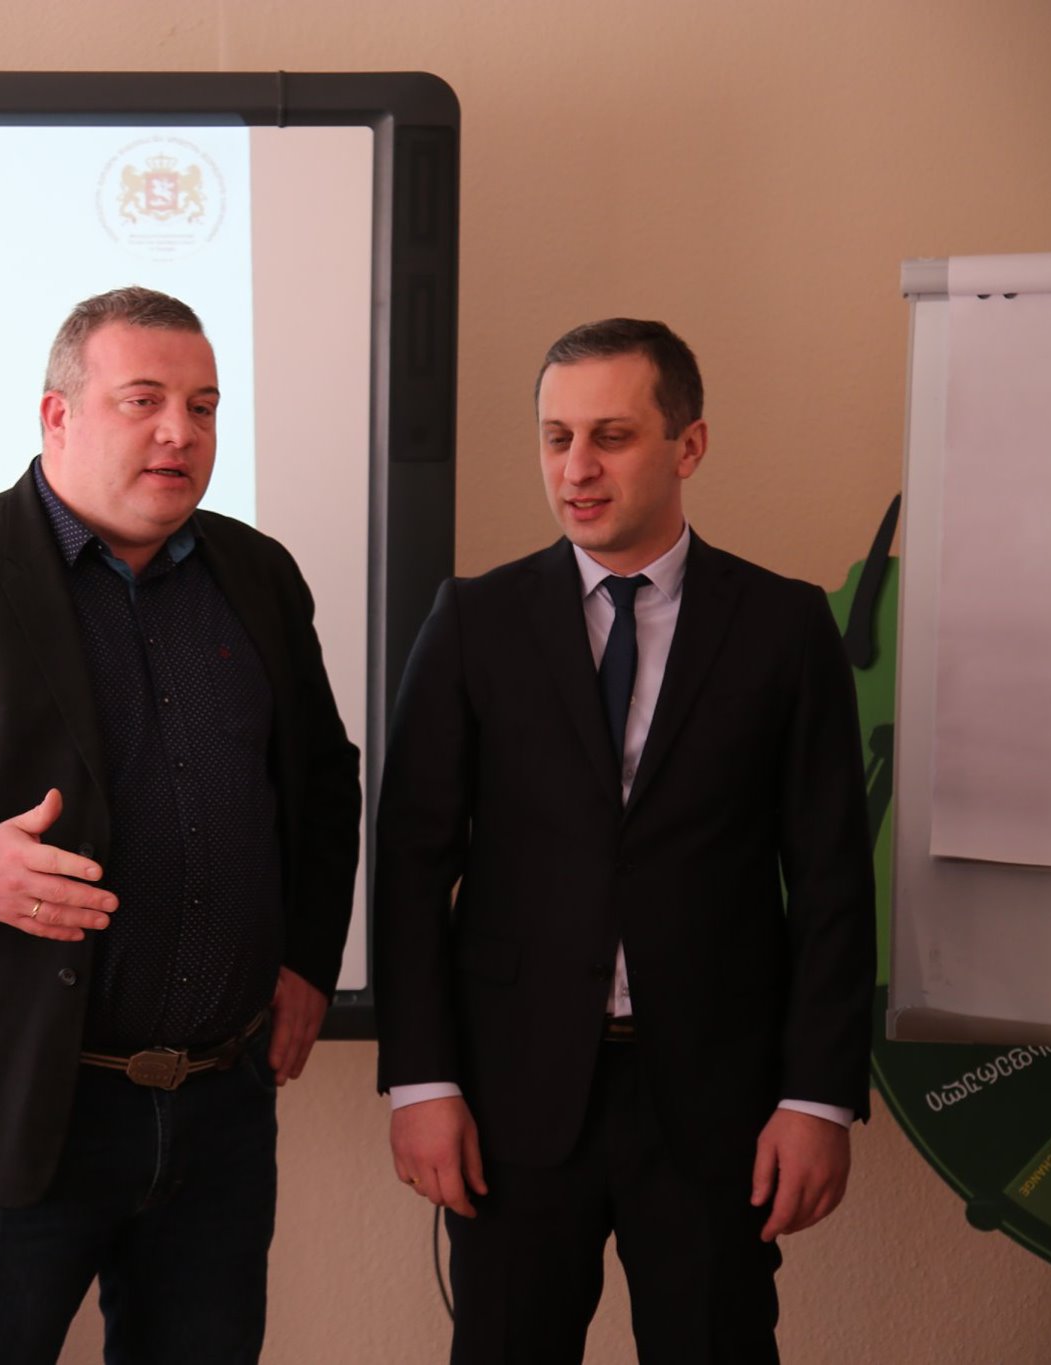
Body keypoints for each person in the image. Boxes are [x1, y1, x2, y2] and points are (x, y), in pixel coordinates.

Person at [0, 286, 361, 1364]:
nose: (178, 432)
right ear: (57, 416)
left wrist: (305, 958)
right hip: (16, 1103)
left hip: (217, 1107)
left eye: (202, 407)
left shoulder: (257, 574)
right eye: (143, 400)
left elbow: (323, 783)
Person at [374, 319, 874, 1363]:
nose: (576, 469)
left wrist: (817, 1096)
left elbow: (832, 879)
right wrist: (420, 1080)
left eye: (610, 436)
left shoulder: (784, 629)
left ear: (688, 445)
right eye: (555, 437)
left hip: (716, 1104)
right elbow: (412, 866)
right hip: (511, 1104)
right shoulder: (472, 622)